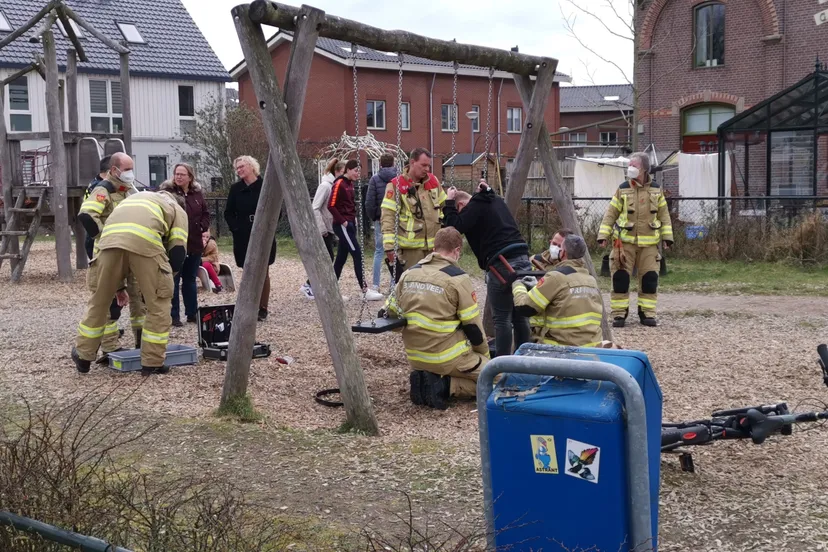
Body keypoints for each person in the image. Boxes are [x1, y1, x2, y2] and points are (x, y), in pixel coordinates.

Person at [71, 190, 189, 376]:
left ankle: (83, 356)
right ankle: (152, 362)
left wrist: (118, 287)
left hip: (108, 244)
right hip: (146, 244)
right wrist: (164, 280)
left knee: (99, 302)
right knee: (158, 305)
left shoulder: (134, 199)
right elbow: (178, 251)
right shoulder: (177, 209)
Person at [383, 227, 489, 410]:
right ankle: (444, 386)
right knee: (496, 378)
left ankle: (427, 378)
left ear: (434, 248)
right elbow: (473, 328)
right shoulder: (458, 279)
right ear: (457, 251)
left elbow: (388, 315)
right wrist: (484, 356)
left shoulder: (409, 274)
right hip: (447, 358)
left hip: (415, 357)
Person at [443, 180, 531, 357]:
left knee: (502, 318)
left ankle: (502, 365)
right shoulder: (495, 199)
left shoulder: (474, 205)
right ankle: (524, 361)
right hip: (522, 257)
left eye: (461, 211)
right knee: (520, 315)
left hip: (501, 262)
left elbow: (453, 229)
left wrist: (449, 203)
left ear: (462, 205)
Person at [77, 152, 144, 357]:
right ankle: (105, 349)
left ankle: (142, 347)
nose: (130, 174)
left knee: (139, 302)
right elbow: (87, 215)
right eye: (126, 170)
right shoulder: (103, 189)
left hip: (130, 254)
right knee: (106, 305)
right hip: (108, 254)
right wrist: (107, 237)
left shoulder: (128, 191)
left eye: (132, 169)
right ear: (114, 170)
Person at [597, 152, 673, 327]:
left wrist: (668, 238)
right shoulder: (622, 189)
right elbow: (611, 214)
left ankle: (647, 313)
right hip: (624, 244)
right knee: (620, 278)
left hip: (649, 246)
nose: (630, 168)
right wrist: (603, 235)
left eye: (634, 165)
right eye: (629, 165)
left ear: (644, 168)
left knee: (649, 279)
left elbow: (664, 215)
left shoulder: (656, 189)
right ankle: (619, 314)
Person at [511, 234, 604, 347]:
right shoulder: (590, 280)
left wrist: (518, 285)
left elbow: (525, 308)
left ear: (563, 252)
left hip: (561, 350)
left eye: (558, 246)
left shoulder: (555, 277)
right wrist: (538, 287)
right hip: (591, 348)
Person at [380, 147, 446, 282]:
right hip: (411, 252)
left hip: (434, 250)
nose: (427, 169)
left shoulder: (433, 182)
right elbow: (388, 218)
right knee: (412, 289)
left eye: (428, 165)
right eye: (423, 165)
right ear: (412, 162)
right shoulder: (396, 186)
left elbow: (445, 207)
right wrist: (389, 247)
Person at [224, 155, 278, 321]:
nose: (239, 170)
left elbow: (276, 210)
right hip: (243, 234)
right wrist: (236, 228)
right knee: (247, 270)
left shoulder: (266, 186)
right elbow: (228, 212)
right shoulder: (235, 189)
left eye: (242, 166)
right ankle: (249, 305)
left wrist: (268, 227)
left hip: (263, 233)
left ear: (252, 167)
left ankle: (263, 307)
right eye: (237, 168)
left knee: (263, 271)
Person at [161, 163, 210, 326]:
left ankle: (192, 313)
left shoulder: (197, 193)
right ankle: (173, 316)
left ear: (190, 177)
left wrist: (203, 226)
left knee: (190, 279)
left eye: (182, 174)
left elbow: (205, 213)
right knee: (174, 279)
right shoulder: (167, 193)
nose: (179, 177)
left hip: (194, 242)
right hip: (175, 242)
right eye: (176, 174)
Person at [327, 160, 384, 301]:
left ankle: (332, 291)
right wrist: (344, 221)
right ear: (348, 169)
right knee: (357, 253)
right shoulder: (339, 183)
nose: (358, 174)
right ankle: (364, 289)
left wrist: (352, 220)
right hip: (343, 225)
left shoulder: (350, 184)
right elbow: (331, 205)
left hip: (350, 223)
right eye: (356, 171)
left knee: (341, 258)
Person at [299, 158, 345, 300]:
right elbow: (315, 207)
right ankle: (309, 285)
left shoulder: (335, 185)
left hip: (330, 227)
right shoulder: (326, 186)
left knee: (328, 257)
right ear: (336, 171)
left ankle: (319, 286)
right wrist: (322, 228)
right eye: (342, 173)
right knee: (327, 257)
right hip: (324, 228)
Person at [364, 153, 398, 293]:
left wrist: (375, 216)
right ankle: (393, 284)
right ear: (393, 163)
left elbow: (370, 201)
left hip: (380, 218)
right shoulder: (398, 180)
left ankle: (376, 285)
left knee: (379, 251)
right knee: (395, 251)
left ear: (380, 163)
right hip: (396, 218)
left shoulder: (375, 179)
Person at [83, 155, 112, 260]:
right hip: (97, 236)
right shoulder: (100, 187)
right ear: (110, 171)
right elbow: (88, 214)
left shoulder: (97, 181)